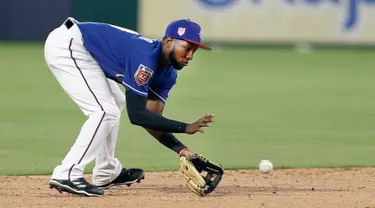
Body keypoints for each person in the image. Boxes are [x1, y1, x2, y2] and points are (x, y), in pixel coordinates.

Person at [44, 17, 215, 197]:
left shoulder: (168, 75)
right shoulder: (145, 57)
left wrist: (182, 150)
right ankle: (67, 174)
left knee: (115, 104)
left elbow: (151, 117)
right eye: (187, 48)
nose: (190, 56)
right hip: (69, 44)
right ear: (169, 41)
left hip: (86, 51)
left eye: (194, 50)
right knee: (104, 111)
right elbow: (137, 115)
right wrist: (185, 127)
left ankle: (105, 172)